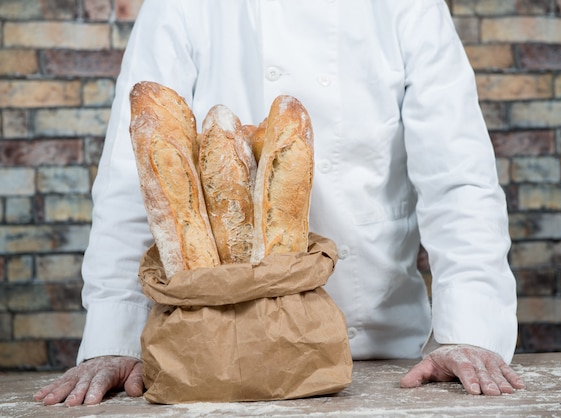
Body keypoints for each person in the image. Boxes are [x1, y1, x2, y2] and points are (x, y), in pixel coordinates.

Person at [34, 0, 525, 406]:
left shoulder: (407, 7)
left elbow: (457, 178)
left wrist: (469, 330)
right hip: (218, 360)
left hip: (383, 359)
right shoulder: (180, 6)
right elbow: (136, 177)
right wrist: (114, 339)